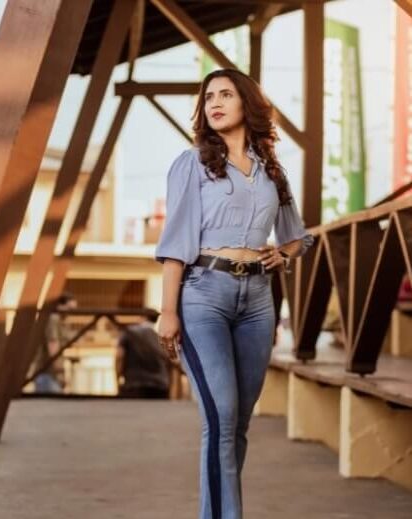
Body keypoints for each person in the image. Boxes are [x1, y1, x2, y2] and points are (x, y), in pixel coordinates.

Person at [154, 69, 313, 519]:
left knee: (238, 422)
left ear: (246, 103)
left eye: (226, 94)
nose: (215, 103)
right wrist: (169, 311)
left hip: (258, 302)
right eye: (208, 98)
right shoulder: (192, 163)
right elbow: (175, 243)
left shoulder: (271, 172)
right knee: (220, 417)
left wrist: (283, 253)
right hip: (203, 293)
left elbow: (299, 236)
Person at [115, 314, 170, 399]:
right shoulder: (160, 336)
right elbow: (170, 360)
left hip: (134, 384)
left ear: (142, 317)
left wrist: (117, 380)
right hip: (160, 385)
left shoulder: (129, 332)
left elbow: (119, 357)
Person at [31, 292, 76, 393]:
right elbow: (53, 345)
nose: (69, 313)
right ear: (60, 306)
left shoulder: (58, 321)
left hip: (48, 374)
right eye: (69, 309)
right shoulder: (53, 319)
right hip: (48, 375)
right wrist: (60, 373)